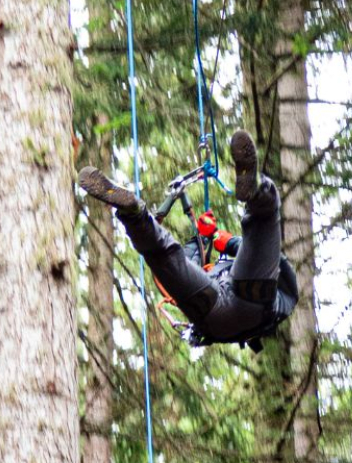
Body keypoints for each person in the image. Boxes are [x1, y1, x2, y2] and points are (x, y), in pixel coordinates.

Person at [78, 129, 297, 351]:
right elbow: (260, 251)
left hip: (222, 312)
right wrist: (207, 237)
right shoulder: (227, 273)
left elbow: (261, 251)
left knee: (166, 255)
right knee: (166, 255)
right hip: (234, 309)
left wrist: (223, 241)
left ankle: (135, 215)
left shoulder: (237, 271)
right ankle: (134, 216)